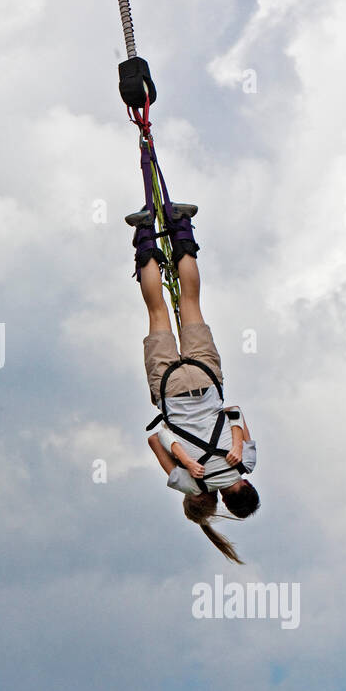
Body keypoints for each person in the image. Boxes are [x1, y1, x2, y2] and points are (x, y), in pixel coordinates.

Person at [125, 202, 259, 562]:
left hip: (206, 379)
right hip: (168, 391)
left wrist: (231, 442)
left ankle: (181, 226)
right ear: (222, 499)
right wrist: (183, 456)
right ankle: (142, 233)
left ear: (245, 486)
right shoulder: (190, 482)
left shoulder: (244, 462)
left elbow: (232, 411)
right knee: (157, 312)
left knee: (190, 302)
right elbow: (156, 438)